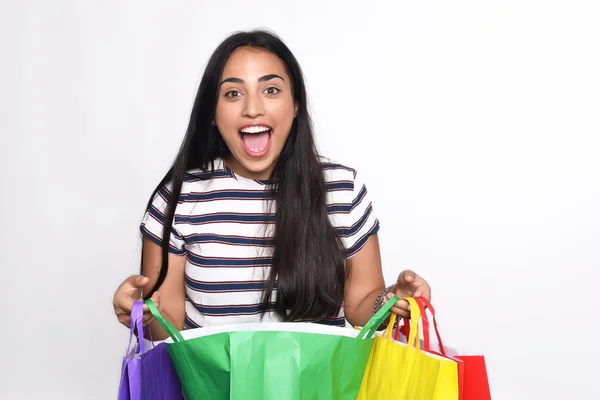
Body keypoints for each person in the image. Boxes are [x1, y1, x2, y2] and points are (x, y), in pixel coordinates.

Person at [112, 29, 432, 340]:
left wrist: (391, 302)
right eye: (233, 93)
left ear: (295, 106)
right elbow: (167, 323)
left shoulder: (342, 189)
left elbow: (362, 304)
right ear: (212, 112)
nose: (253, 109)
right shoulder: (179, 197)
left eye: (271, 90)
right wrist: (142, 314)